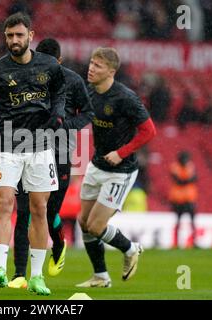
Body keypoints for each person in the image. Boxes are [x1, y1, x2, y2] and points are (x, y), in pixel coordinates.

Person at [0, 13, 66, 296]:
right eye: (10, 36)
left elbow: (60, 92)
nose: (14, 40)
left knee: (39, 210)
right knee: (4, 202)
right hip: (7, 147)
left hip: (39, 147)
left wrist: (58, 114)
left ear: (31, 36)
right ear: (5, 37)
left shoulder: (48, 65)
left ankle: (36, 277)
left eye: (19, 35)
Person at [8, 38, 94, 289]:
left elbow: (87, 113)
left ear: (58, 61)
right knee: (24, 213)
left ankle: (59, 244)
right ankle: (19, 275)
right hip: (29, 151)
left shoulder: (73, 81)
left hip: (60, 153)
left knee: (47, 212)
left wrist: (66, 126)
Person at [77, 47, 156, 288]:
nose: (91, 68)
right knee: (83, 222)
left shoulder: (125, 98)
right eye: (91, 63)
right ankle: (101, 276)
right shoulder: (89, 92)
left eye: (98, 66)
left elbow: (149, 131)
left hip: (120, 172)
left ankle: (130, 249)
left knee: (96, 225)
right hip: (96, 164)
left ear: (111, 71)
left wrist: (121, 153)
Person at [168, 151, 198, 249]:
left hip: (189, 199)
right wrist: (188, 180)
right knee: (178, 222)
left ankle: (194, 242)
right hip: (178, 200)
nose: (185, 161)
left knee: (192, 222)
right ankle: (176, 243)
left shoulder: (189, 166)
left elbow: (194, 178)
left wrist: (186, 180)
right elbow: (180, 181)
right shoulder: (175, 167)